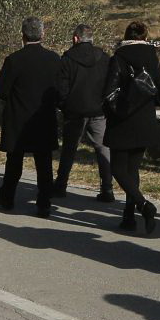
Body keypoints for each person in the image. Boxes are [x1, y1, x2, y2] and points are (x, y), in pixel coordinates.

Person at [0, 17, 64, 214]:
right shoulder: (54, 59)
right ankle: (44, 203)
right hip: (44, 117)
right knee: (44, 163)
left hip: (18, 117)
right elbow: (60, 90)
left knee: (14, 161)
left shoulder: (14, 60)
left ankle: (7, 198)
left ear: (22, 35)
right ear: (42, 34)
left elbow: (2, 90)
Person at [103, 21, 160, 232]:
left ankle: (143, 205)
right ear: (145, 37)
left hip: (122, 120)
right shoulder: (152, 58)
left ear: (126, 36)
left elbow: (109, 91)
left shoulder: (119, 57)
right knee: (132, 169)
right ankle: (128, 216)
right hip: (144, 117)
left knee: (118, 168)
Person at [55, 25, 116, 202]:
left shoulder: (67, 59)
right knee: (103, 148)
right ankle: (107, 188)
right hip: (98, 110)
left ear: (76, 38)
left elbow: (61, 88)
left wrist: (64, 106)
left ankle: (61, 185)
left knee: (69, 149)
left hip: (75, 111)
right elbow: (111, 83)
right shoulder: (103, 57)